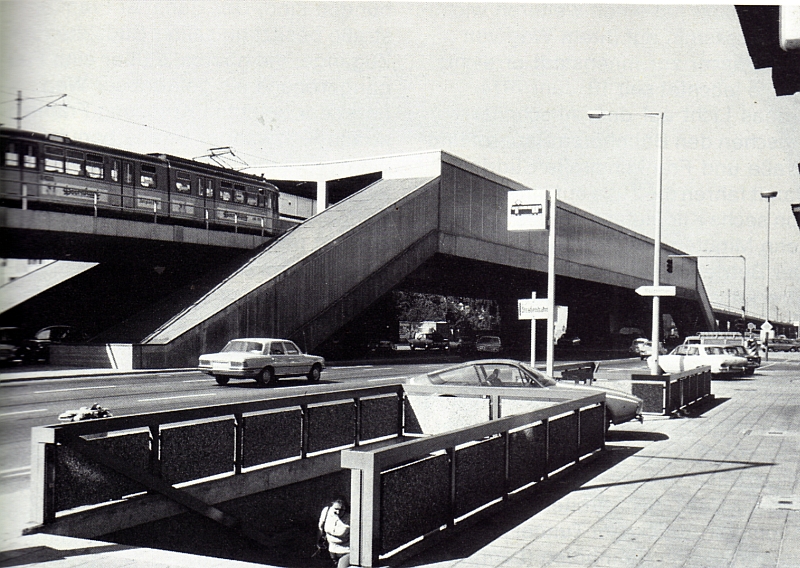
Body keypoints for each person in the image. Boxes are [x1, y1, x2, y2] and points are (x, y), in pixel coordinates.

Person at [318, 497, 350, 567]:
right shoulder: (326, 512)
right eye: (336, 509)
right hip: (330, 550)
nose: (338, 512)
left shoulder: (350, 518)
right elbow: (320, 527)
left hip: (345, 551)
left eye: (341, 510)